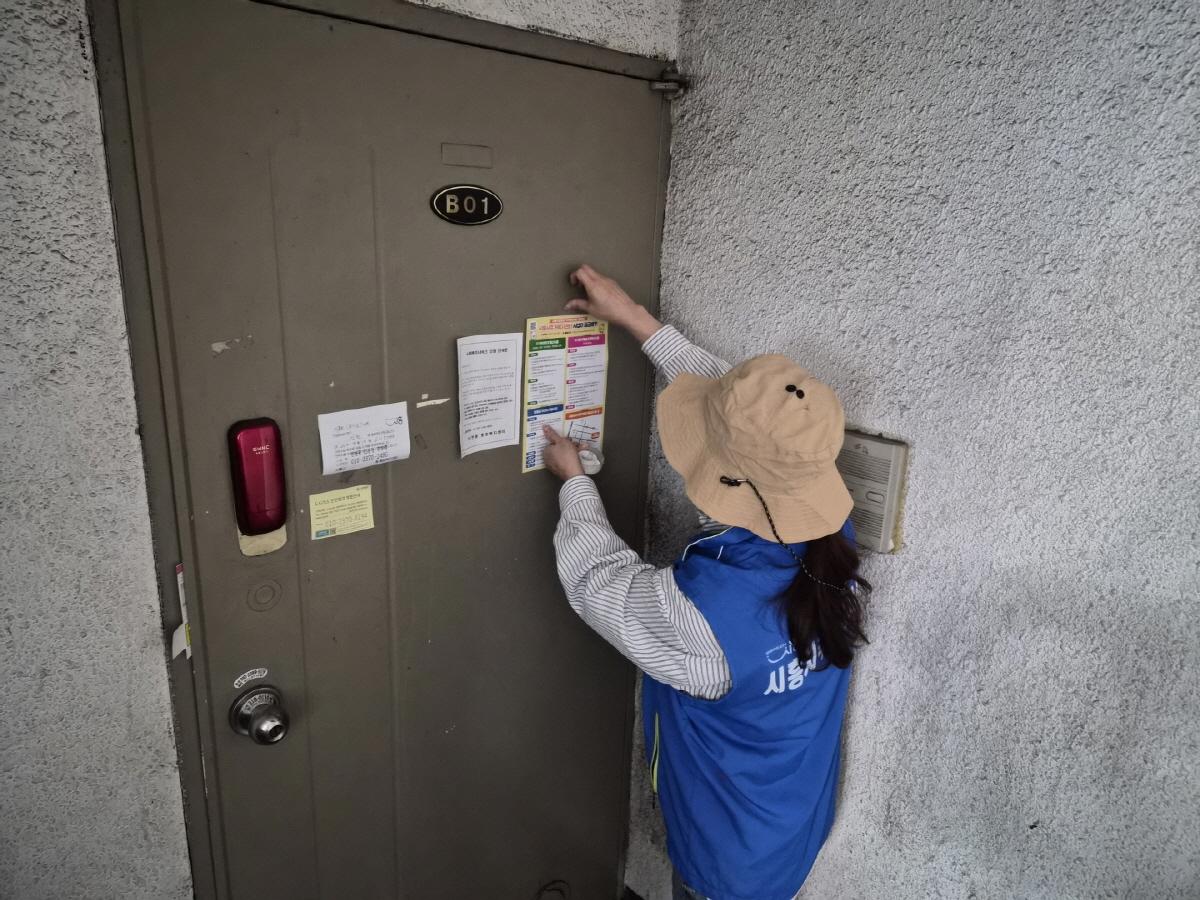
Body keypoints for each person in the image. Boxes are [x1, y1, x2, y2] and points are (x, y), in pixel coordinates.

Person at [540, 265, 872, 900]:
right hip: (793, 825)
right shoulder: (835, 535)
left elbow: (594, 581)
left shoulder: (703, 616)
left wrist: (575, 483)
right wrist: (638, 320)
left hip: (726, 861)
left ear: (724, 478)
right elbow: (751, 419)